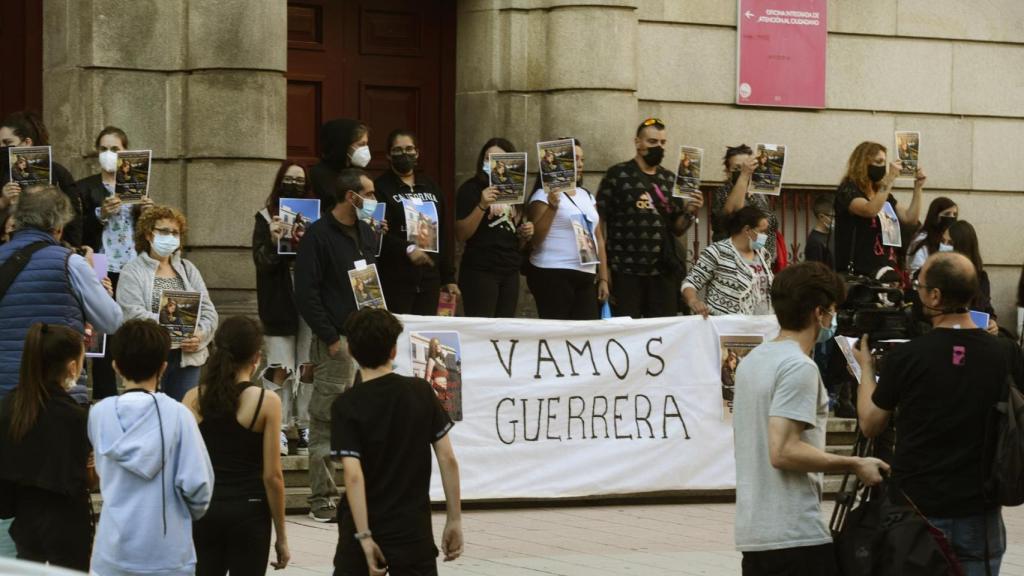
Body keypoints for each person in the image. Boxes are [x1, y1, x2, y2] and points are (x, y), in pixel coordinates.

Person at [855, 252, 1024, 575]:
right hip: (981, 511)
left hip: (918, 512)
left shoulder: (908, 357)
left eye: (920, 286)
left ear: (935, 296)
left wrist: (865, 369)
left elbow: (871, 423)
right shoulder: (1003, 353)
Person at [734, 261, 888, 575]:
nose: (833, 319)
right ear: (819, 313)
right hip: (795, 538)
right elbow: (783, 451)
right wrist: (855, 464)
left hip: (756, 536)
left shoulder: (753, 361)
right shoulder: (799, 367)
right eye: (832, 310)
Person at [330, 308, 463, 576]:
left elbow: (353, 476)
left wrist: (365, 536)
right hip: (412, 531)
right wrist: (454, 519)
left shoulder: (347, 405)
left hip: (362, 526)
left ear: (351, 351)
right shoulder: (421, 391)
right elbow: (447, 458)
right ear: (393, 351)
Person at [89, 319, 215, 576]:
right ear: (163, 367)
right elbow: (199, 486)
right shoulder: (179, 415)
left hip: (113, 550)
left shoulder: (99, 414)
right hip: (167, 551)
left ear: (115, 366)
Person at [294, 167, 381, 523]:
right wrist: (330, 338)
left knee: (364, 420)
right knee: (326, 419)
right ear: (351, 196)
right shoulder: (319, 235)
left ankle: (359, 493)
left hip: (366, 342)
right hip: (337, 343)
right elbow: (306, 293)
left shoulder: (363, 231)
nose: (374, 201)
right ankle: (323, 497)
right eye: (370, 194)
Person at [183, 316, 290, 574]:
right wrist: (282, 536)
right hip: (249, 509)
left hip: (205, 507)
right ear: (256, 357)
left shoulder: (192, 398)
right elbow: (272, 476)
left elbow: (184, 464)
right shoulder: (266, 401)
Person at [0, 185, 123, 398]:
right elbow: (111, 321)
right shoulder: (72, 263)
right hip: (59, 394)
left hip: (4, 393)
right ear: (58, 225)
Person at [0, 323, 92, 570]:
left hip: (24, 519)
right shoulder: (75, 415)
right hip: (68, 521)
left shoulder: (10, 407)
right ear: (72, 367)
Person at [78, 126, 155, 400]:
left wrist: (147, 212)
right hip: (99, 261)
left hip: (132, 264)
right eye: (103, 149)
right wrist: (100, 214)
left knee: (134, 327)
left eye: (115, 149)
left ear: (126, 153)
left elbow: (150, 233)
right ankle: (105, 395)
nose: (109, 154)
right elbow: (78, 231)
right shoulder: (86, 187)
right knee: (102, 333)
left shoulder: (136, 186)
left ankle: (138, 390)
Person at [596, 118, 702, 318]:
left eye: (662, 143)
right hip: (625, 271)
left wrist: (690, 211)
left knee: (662, 332)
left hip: (662, 273)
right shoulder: (617, 175)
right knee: (627, 333)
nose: (658, 147)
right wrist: (604, 270)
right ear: (638, 143)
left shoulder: (671, 179)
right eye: (652, 142)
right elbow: (599, 223)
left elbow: (677, 228)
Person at [116, 205, 219, 401]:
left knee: (183, 415)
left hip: (186, 358)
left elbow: (208, 310)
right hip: (148, 357)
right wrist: (174, 328)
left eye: (175, 232)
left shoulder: (188, 269)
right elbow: (132, 313)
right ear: (148, 234)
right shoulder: (132, 270)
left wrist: (199, 334)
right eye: (164, 231)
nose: (170, 236)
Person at [254, 161, 316, 457]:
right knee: (279, 366)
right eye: (289, 179)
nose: (294, 184)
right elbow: (261, 263)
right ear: (280, 182)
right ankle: (277, 426)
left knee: (307, 366)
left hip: (309, 302)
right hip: (279, 302)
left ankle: (304, 424)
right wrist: (273, 239)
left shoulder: (318, 218)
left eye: (300, 180)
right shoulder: (264, 217)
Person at [374, 129, 459, 315]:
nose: (404, 154)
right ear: (388, 155)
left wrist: (449, 277)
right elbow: (377, 233)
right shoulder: (379, 189)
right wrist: (407, 248)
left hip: (429, 278)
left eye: (409, 149)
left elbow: (443, 232)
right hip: (396, 279)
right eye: (398, 150)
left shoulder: (431, 187)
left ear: (417, 153)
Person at [526, 139, 608, 320]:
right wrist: (552, 207)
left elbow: (599, 238)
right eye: (574, 159)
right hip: (553, 273)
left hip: (586, 275)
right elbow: (535, 240)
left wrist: (603, 278)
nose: (579, 164)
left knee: (586, 332)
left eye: (582, 160)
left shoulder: (587, 195)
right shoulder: (542, 195)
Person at [454, 138, 534, 318]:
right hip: (480, 270)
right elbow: (461, 234)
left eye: (499, 159)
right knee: (483, 327)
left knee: (504, 330)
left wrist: (525, 234)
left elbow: (516, 241)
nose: (493, 164)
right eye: (488, 159)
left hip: (509, 271)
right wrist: (482, 205)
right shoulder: (471, 189)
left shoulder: (515, 194)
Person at [834, 141, 925, 277]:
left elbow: (910, 218)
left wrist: (918, 187)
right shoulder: (849, 190)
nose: (882, 166)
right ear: (862, 163)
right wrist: (890, 178)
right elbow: (870, 210)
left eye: (884, 162)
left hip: (886, 269)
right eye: (878, 162)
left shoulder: (882, 194)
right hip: (859, 273)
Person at [0, 111, 84, 246]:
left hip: (50, 248)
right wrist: (3, 201)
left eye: (7, 142)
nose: (2, 147)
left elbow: (74, 217)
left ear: (27, 142)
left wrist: (71, 247)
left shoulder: (58, 173)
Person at [682, 206, 774, 317]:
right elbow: (691, 282)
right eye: (762, 232)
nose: (765, 236)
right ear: (747, 230)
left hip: (762, 324)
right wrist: (694, 301)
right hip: (727, 326)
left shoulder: (763, 253)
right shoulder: (718, 251)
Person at [711, 144, 780, 264]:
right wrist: (744, 175)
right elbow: (735, 215)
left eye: (746, 167)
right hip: (735, 265)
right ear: (728, 171)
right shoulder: (723, 193)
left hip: (762, 265)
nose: (743, 171)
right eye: (737, 168)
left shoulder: (759, 194)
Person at [947, 220, 999, 334]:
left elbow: (987, 308)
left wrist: (992, 322)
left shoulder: (981, 277)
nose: (944, 247)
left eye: (949, 243)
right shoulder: (938, 276)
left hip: (977, 337)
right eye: (943, 242)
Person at [310, 119, 371, 204]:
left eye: (366, 144)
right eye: (361, 144)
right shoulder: (319, 174)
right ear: (343, 145)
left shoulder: (357, 173)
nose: (365, 149)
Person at [906, 196, 957, 276]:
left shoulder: (954, 238)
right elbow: (916, 269)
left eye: (954, 214)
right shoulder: (922, 239)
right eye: (947, 214)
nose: (952, 217)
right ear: (935, 215)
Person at [804, 195, 834, 267]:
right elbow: (815, 271)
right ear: (821, 217)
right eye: (833, 216)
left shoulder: (832, 234)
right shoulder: (814, 242)